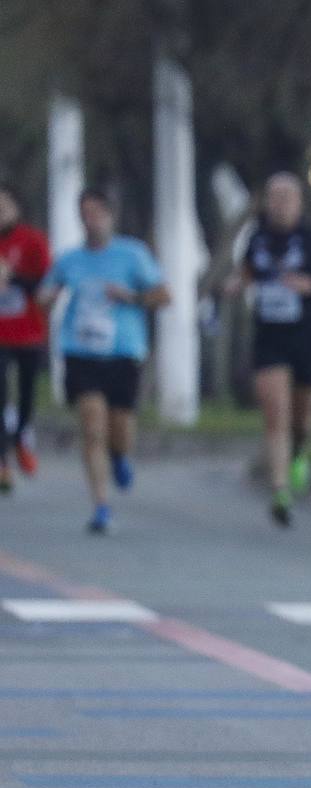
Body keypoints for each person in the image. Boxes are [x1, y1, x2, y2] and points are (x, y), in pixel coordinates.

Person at [37, 188, 170, 533]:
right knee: (92, 426)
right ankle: (101, 506)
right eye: (84, 213)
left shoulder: (133, 254)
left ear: (110, 215)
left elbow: (164, 295)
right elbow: (45, 295)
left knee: (120, 427)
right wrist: (47, 297)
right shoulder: (69, 260)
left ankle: (120, 456)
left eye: (97, 212)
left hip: (123, 351)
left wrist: (132, 296)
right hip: (80, 351)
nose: (90, 220)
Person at [224, 173, 311, 527]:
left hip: (307, 334)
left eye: (286, 198)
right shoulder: (258, 238)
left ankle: (299, 451)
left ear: (299, 202)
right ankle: (280, 491)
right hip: (269, 336)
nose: (278, 204)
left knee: (301, 417)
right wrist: (238, 283)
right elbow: (248, 273)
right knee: (275, 412)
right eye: (273, 197)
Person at [0, 183, 52, 493]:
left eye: (3, 206)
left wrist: (12, 277)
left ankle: (21, 437)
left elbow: (44, 286)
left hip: (29, 331)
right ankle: (2, 461)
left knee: (26, 394)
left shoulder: (32, 241)